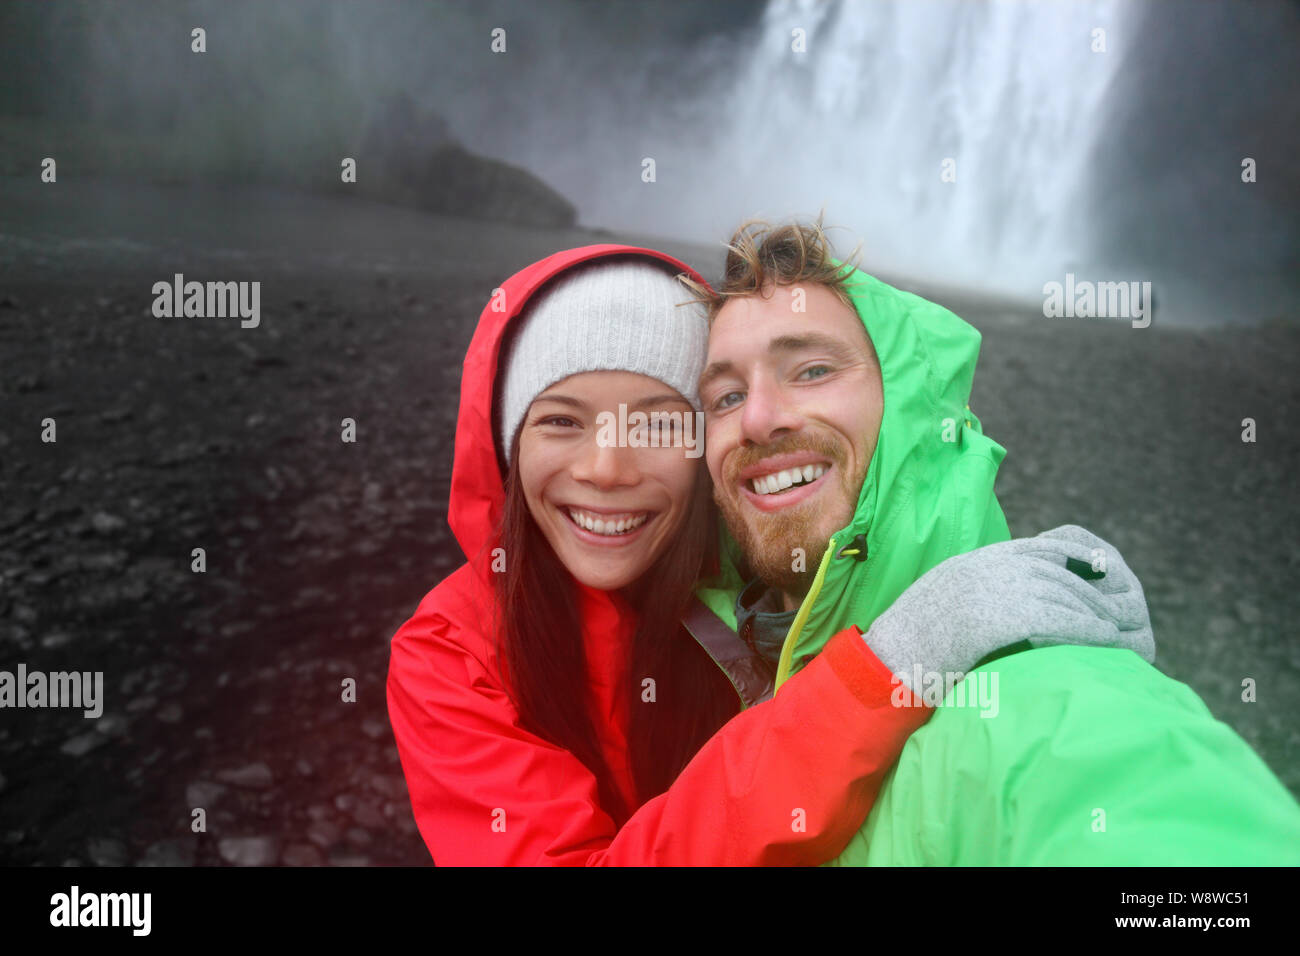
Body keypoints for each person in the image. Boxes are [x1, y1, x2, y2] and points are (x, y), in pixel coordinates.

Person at [386, 243, 1152, 866]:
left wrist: (1027, 616)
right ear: (507, 449)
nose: (607, 470)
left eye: (659, 424)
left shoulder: (763, 573)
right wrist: (887, 667)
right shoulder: (451, 655)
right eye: (560, 422)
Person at [685, 217, 1300, 864]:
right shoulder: (693, 658)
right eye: (726, 396)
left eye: (810, 370)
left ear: (910, 412)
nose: (757, 418)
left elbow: (1138, 797)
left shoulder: (1032, 690)